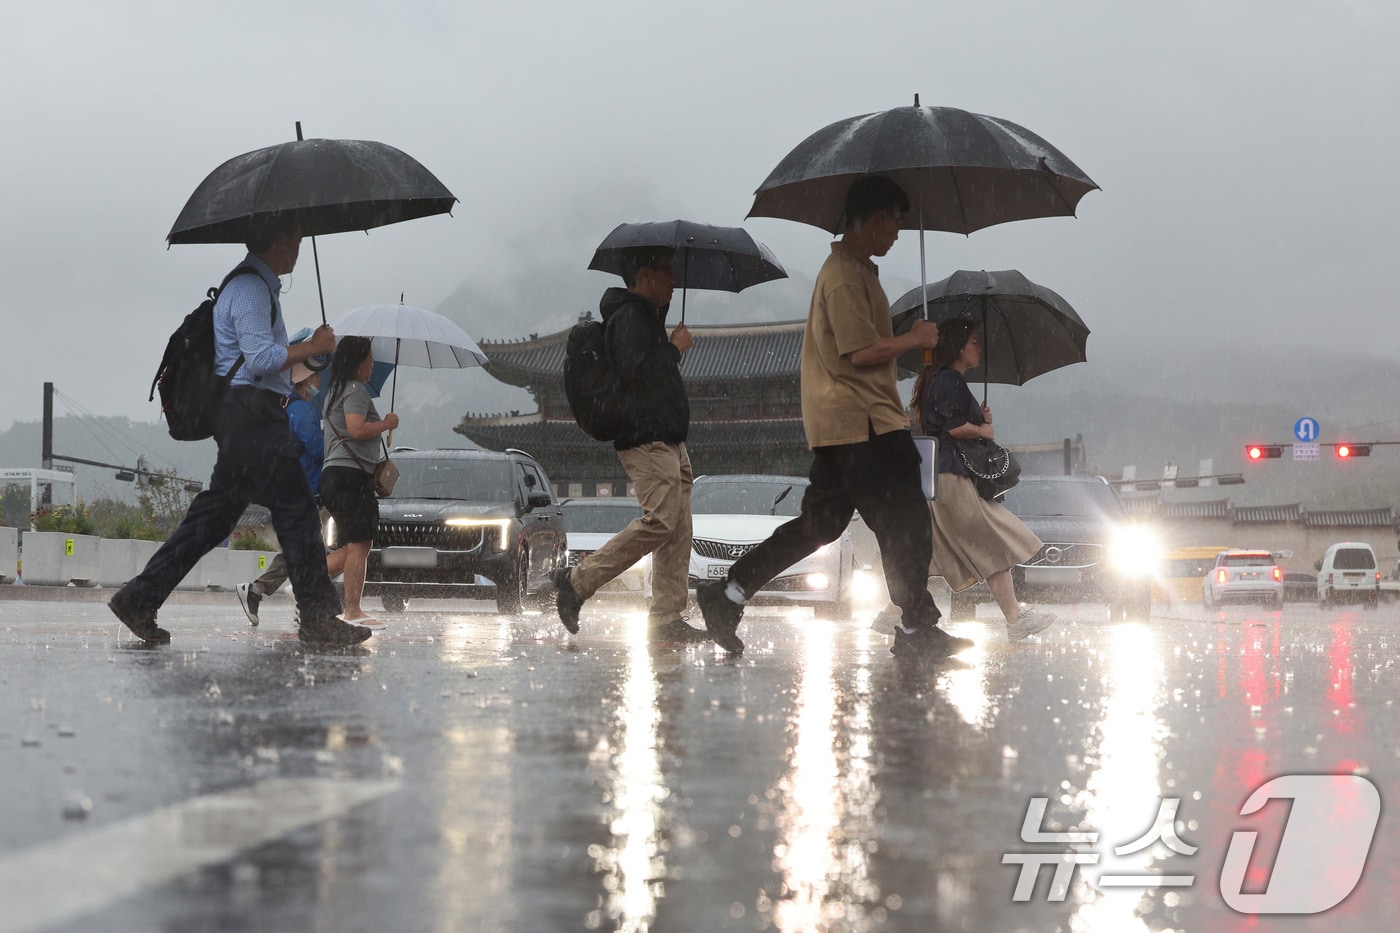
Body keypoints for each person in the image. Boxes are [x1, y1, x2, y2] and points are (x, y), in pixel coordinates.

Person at [695, 175, 973, 659]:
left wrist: (910, 342)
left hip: (846, 425)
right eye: (895, 222)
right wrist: (913, 339)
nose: (898, 233)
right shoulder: (844, 276)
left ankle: (729, 592)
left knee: (820, 524)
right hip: (864, 423)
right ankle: (916, 625)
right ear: (875, 218)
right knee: (905, 519)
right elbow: (858, 351)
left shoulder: (857, 271)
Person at [109, 215, 371, 646]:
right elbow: (260, 359)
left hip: (247, 413)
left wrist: (307, 358)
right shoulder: (249, 288)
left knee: (213, 518)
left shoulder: (259, 287)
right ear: (280, 241)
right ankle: (318, 617)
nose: (300, 247)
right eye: (297, 238)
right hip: (252, 414)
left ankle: (138, 599)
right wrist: (313, 345)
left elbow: (266, 360)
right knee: (296, 509)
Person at [553, 245, 708, 643]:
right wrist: (674, 349)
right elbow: (634, 371)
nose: (673, 279)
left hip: (667, 439)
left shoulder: (645, 317)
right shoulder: (629, 316)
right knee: (661, 522)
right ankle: (577, 582)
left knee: (678, 529)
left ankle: (666, 617)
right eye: (666, 270)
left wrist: (667, 339)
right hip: (645, 438)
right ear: (645, 275)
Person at [909, 318, 1056, 639]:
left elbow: (948, 423)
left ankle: (891, 613)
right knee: (990, 541)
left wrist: (979, 417)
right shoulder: (950, 379)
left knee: (932, 553)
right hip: (952, 477)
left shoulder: (941, 379)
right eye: (974, 342)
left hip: (940, 475)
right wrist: (982, 429)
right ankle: (1015, 619)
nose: (979, 348)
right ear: (958, 347)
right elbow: (954, 428)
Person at [235, 360, 326, 625]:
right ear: (304, 381)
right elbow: (318, 450)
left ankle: (259, 590)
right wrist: (335, 440)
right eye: (315, 377)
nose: (319, 382)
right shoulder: (302, 411)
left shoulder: (288, 408)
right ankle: (305, 602)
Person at [321, 335, 398, 628]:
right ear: (357, 363)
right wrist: (386, 424)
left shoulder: (335, 391)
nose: (372, 365)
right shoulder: (354, 390)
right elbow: (355, 429)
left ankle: (307, 581)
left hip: (336, 476)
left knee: (356, 544)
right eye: (369, 359)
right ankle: (352, 611)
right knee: (359, 543)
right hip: (349, 476)